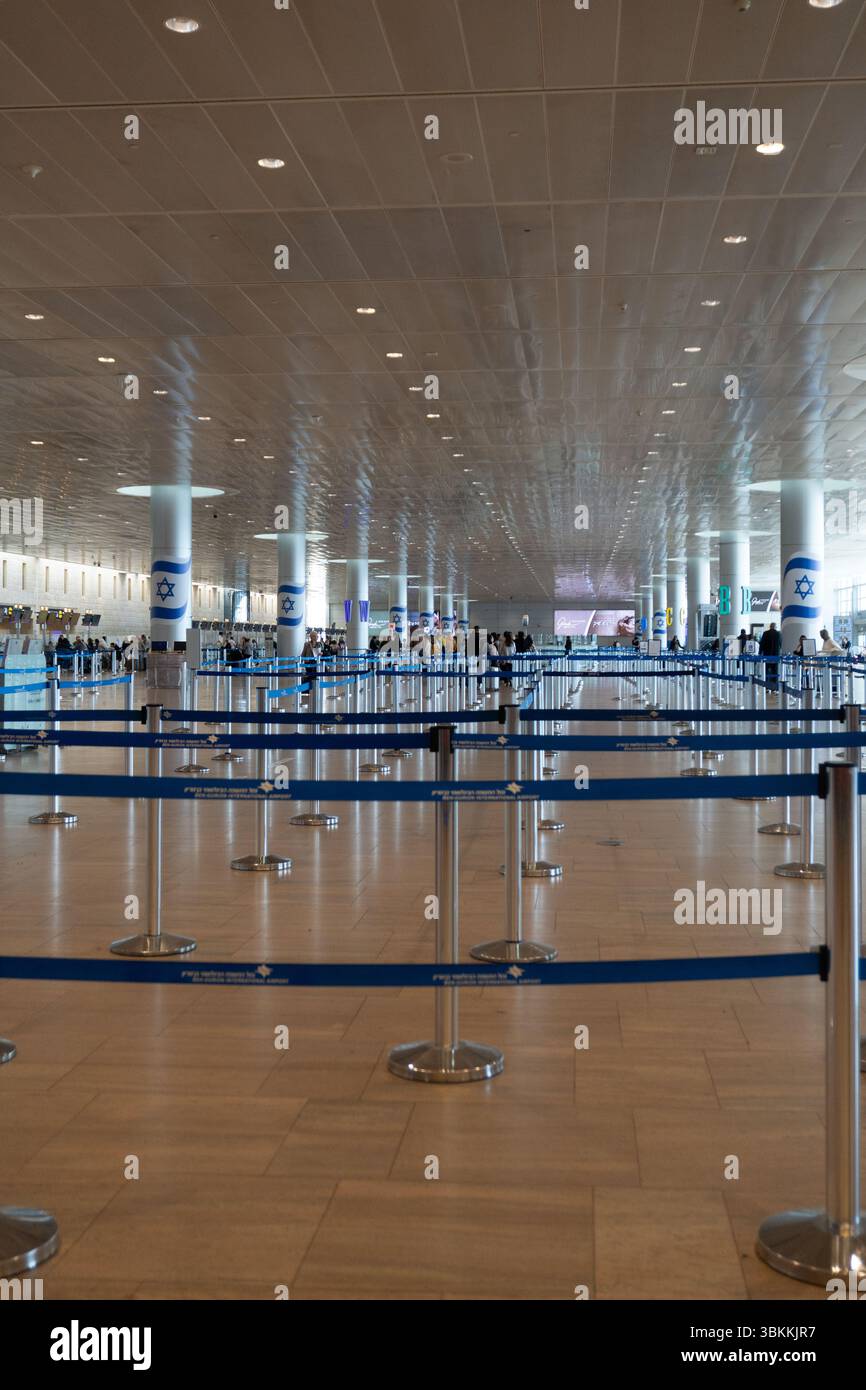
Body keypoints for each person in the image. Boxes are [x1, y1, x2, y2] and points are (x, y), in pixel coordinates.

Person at [758, 621, 781, 689]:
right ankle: (774, 687)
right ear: (775, 627)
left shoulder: (766, 633)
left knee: (766, 671)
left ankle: (766, 687)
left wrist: (760, 652)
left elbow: (762, 643)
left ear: (770, 626)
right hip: (775, 655)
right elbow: (780, 644)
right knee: (775, 671)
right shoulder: (778, 634)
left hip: (767, 655)